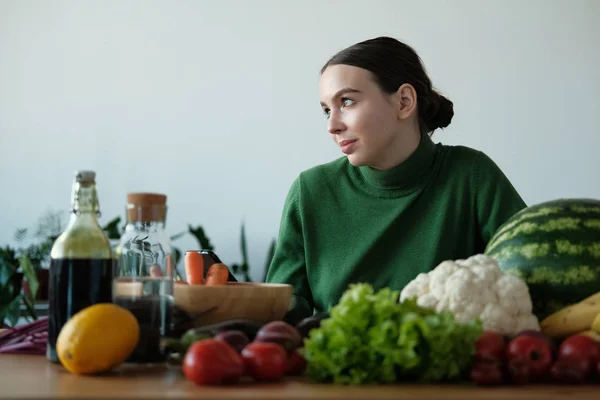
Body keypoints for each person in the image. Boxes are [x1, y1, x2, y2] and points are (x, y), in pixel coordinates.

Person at [265, 36, 526, 324]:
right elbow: (280, 314)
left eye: (347, 101)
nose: (332, 125)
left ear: (404, 102)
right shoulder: (310, 191)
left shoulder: (472, 175)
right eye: (327, 109)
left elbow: (529, 276)